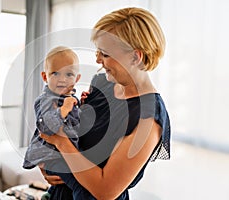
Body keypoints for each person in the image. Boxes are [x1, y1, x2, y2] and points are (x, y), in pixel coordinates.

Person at [39, 7, 171, 200]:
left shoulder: (149, 116)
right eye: (98, 51)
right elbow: (76, 135)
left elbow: (105, 191)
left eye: (105, 54)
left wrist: (60, 141)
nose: (98, 59)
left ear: (136, 57)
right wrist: (48, 163)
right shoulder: (102, 83)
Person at [23, 46, 99, 199]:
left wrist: (82, 107)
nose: (62, 79)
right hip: (52, 158)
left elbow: (77, 127)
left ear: (77, 79)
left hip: (66, 156)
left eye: (69, 74)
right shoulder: (44, 100)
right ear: (45, 77)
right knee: (80, 184)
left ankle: (49, 195)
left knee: (71, 185)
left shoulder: (71, 100)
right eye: (55, 73)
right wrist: (62, 110)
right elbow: (44, 127)